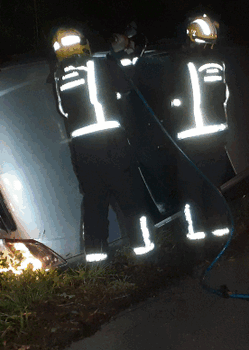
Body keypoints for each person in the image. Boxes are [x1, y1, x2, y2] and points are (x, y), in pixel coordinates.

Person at [50, 26, 156, 263]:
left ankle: (97, 261)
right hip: (111, 144)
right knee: (131, 199)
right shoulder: (98, 65)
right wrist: (124, 51)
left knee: (94, 205)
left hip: (83, 151)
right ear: (83, 44)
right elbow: (126, 84)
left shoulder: (58, 77)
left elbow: (64, 110)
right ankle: (145, 251)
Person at [166, 14, 235, 240]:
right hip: (216, 137)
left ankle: (195, 235)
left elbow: (174, 101)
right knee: (213, 186)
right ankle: (220, 230)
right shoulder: (219, 64)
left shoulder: (182, 64)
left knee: (190, 190)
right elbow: (225, 97)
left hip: (190, 139)